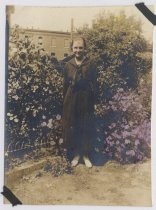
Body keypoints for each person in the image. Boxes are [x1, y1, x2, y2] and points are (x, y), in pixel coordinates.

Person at [62, 37, 97, 168]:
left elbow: (95, 83)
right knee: (74, 127)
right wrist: (65, 102)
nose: (78, 50)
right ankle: (76, 155)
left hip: (86, 99)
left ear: (84, 48)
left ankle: (86, 156)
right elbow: (65, 85)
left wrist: (95, 101)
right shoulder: (68, 65)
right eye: (75, 47)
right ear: (72, 49)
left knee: (86, 126)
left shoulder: (91, 63)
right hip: (71, 100)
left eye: (80, 47)